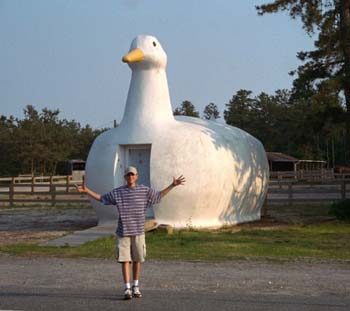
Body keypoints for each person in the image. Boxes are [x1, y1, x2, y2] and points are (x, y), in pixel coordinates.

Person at [76, 166, 185, 300]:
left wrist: (172, 185)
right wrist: (87, 190)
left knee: (137, 259)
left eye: (133, 175)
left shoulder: (144, 191)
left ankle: (136, 286)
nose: (130, 177)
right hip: (124, 232)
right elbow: (102, 198)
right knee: (125, 260)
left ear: (137, 176)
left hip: (138, 231)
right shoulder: (118, 192)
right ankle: (127, 288)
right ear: (125, 177)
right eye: (128, 175)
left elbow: (158, 196)